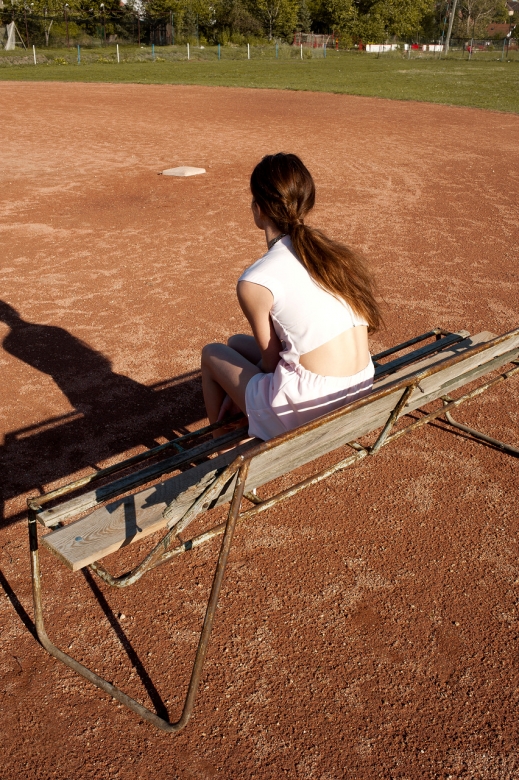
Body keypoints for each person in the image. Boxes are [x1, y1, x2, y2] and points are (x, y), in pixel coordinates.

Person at [201, 153, 382, 442]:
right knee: (235, 344)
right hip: (360, 384)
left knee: (212, 353)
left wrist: (239, 398)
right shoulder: (334, 257)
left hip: (310, 406)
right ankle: (246, 412)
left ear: (258, 209)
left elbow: (271, 363)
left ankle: (221, 451)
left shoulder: (256, 280)